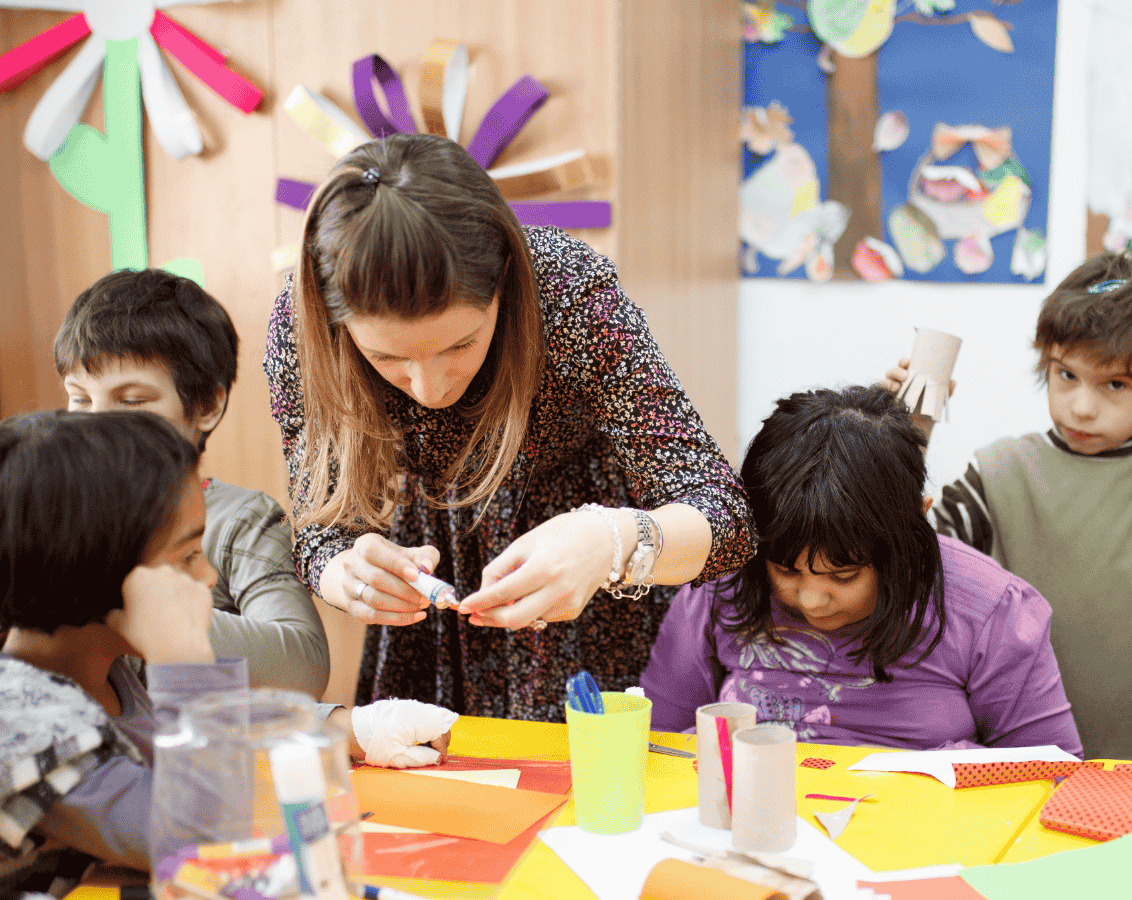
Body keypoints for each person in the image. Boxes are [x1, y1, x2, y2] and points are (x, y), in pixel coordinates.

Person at [266, 132, 754, 721]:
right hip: (436, 601)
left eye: (461, 344)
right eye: (388, 359)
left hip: (593, 576)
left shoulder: (568, 291)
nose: (430, 388)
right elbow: (319, 531)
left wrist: (609, 543)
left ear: (505, 282)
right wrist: (342, 569)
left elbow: (726, 517)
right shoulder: (303, 331)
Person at [0, 411, 454, 893]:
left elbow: (231, 722)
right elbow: (204, 839)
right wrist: (185, 663)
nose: (210, 577)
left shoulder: (113, 665)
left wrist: (355, 728)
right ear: (92, 575)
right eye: (187, 557)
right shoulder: (21, 716)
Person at [886, 252, 1132, 763]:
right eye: (1066, 375)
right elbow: (904, 554)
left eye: (1115, 383)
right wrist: (904, 433)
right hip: (1030, 748)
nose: (1081, 405)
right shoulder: (999, 473)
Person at [641, 386, 1082, 753]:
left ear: (914, 528)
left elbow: (1049, 774)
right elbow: (658, 746)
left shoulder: (993, 609)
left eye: (844, 576)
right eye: (785, 570)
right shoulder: (724, 580)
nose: (812, 600)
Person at [55, 269, 329, 698]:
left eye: (131, 402)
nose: (96, 425)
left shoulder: (240, 519)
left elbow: (304, 664)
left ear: (206, 405)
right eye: (80, 398)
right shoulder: (47, 516)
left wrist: (133, 607)